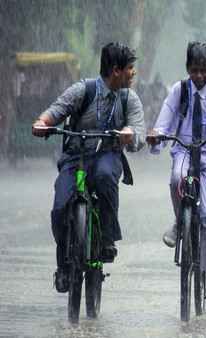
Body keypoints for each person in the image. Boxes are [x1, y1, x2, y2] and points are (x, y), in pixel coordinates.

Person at [31, 42, 146, 293]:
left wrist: (128, 134)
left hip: (107, 155)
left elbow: (138, 133)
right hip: (76, 158)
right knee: (60, 206)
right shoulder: (83, 90)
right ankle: (63, 266)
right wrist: (42, 123)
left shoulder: (129, 98)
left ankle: (106, 238)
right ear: (116, 71)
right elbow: (54, 112)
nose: (133, 73)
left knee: (105, 176)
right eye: (130, 69)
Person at [146, 42, 206, 308]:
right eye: (194, 70)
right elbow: (163, 122)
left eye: (203, 70)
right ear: (187, 69)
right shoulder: (179, 90)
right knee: (176, 180)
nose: (198, 76)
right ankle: (180, 222)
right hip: (184, 152)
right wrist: (156, 135)